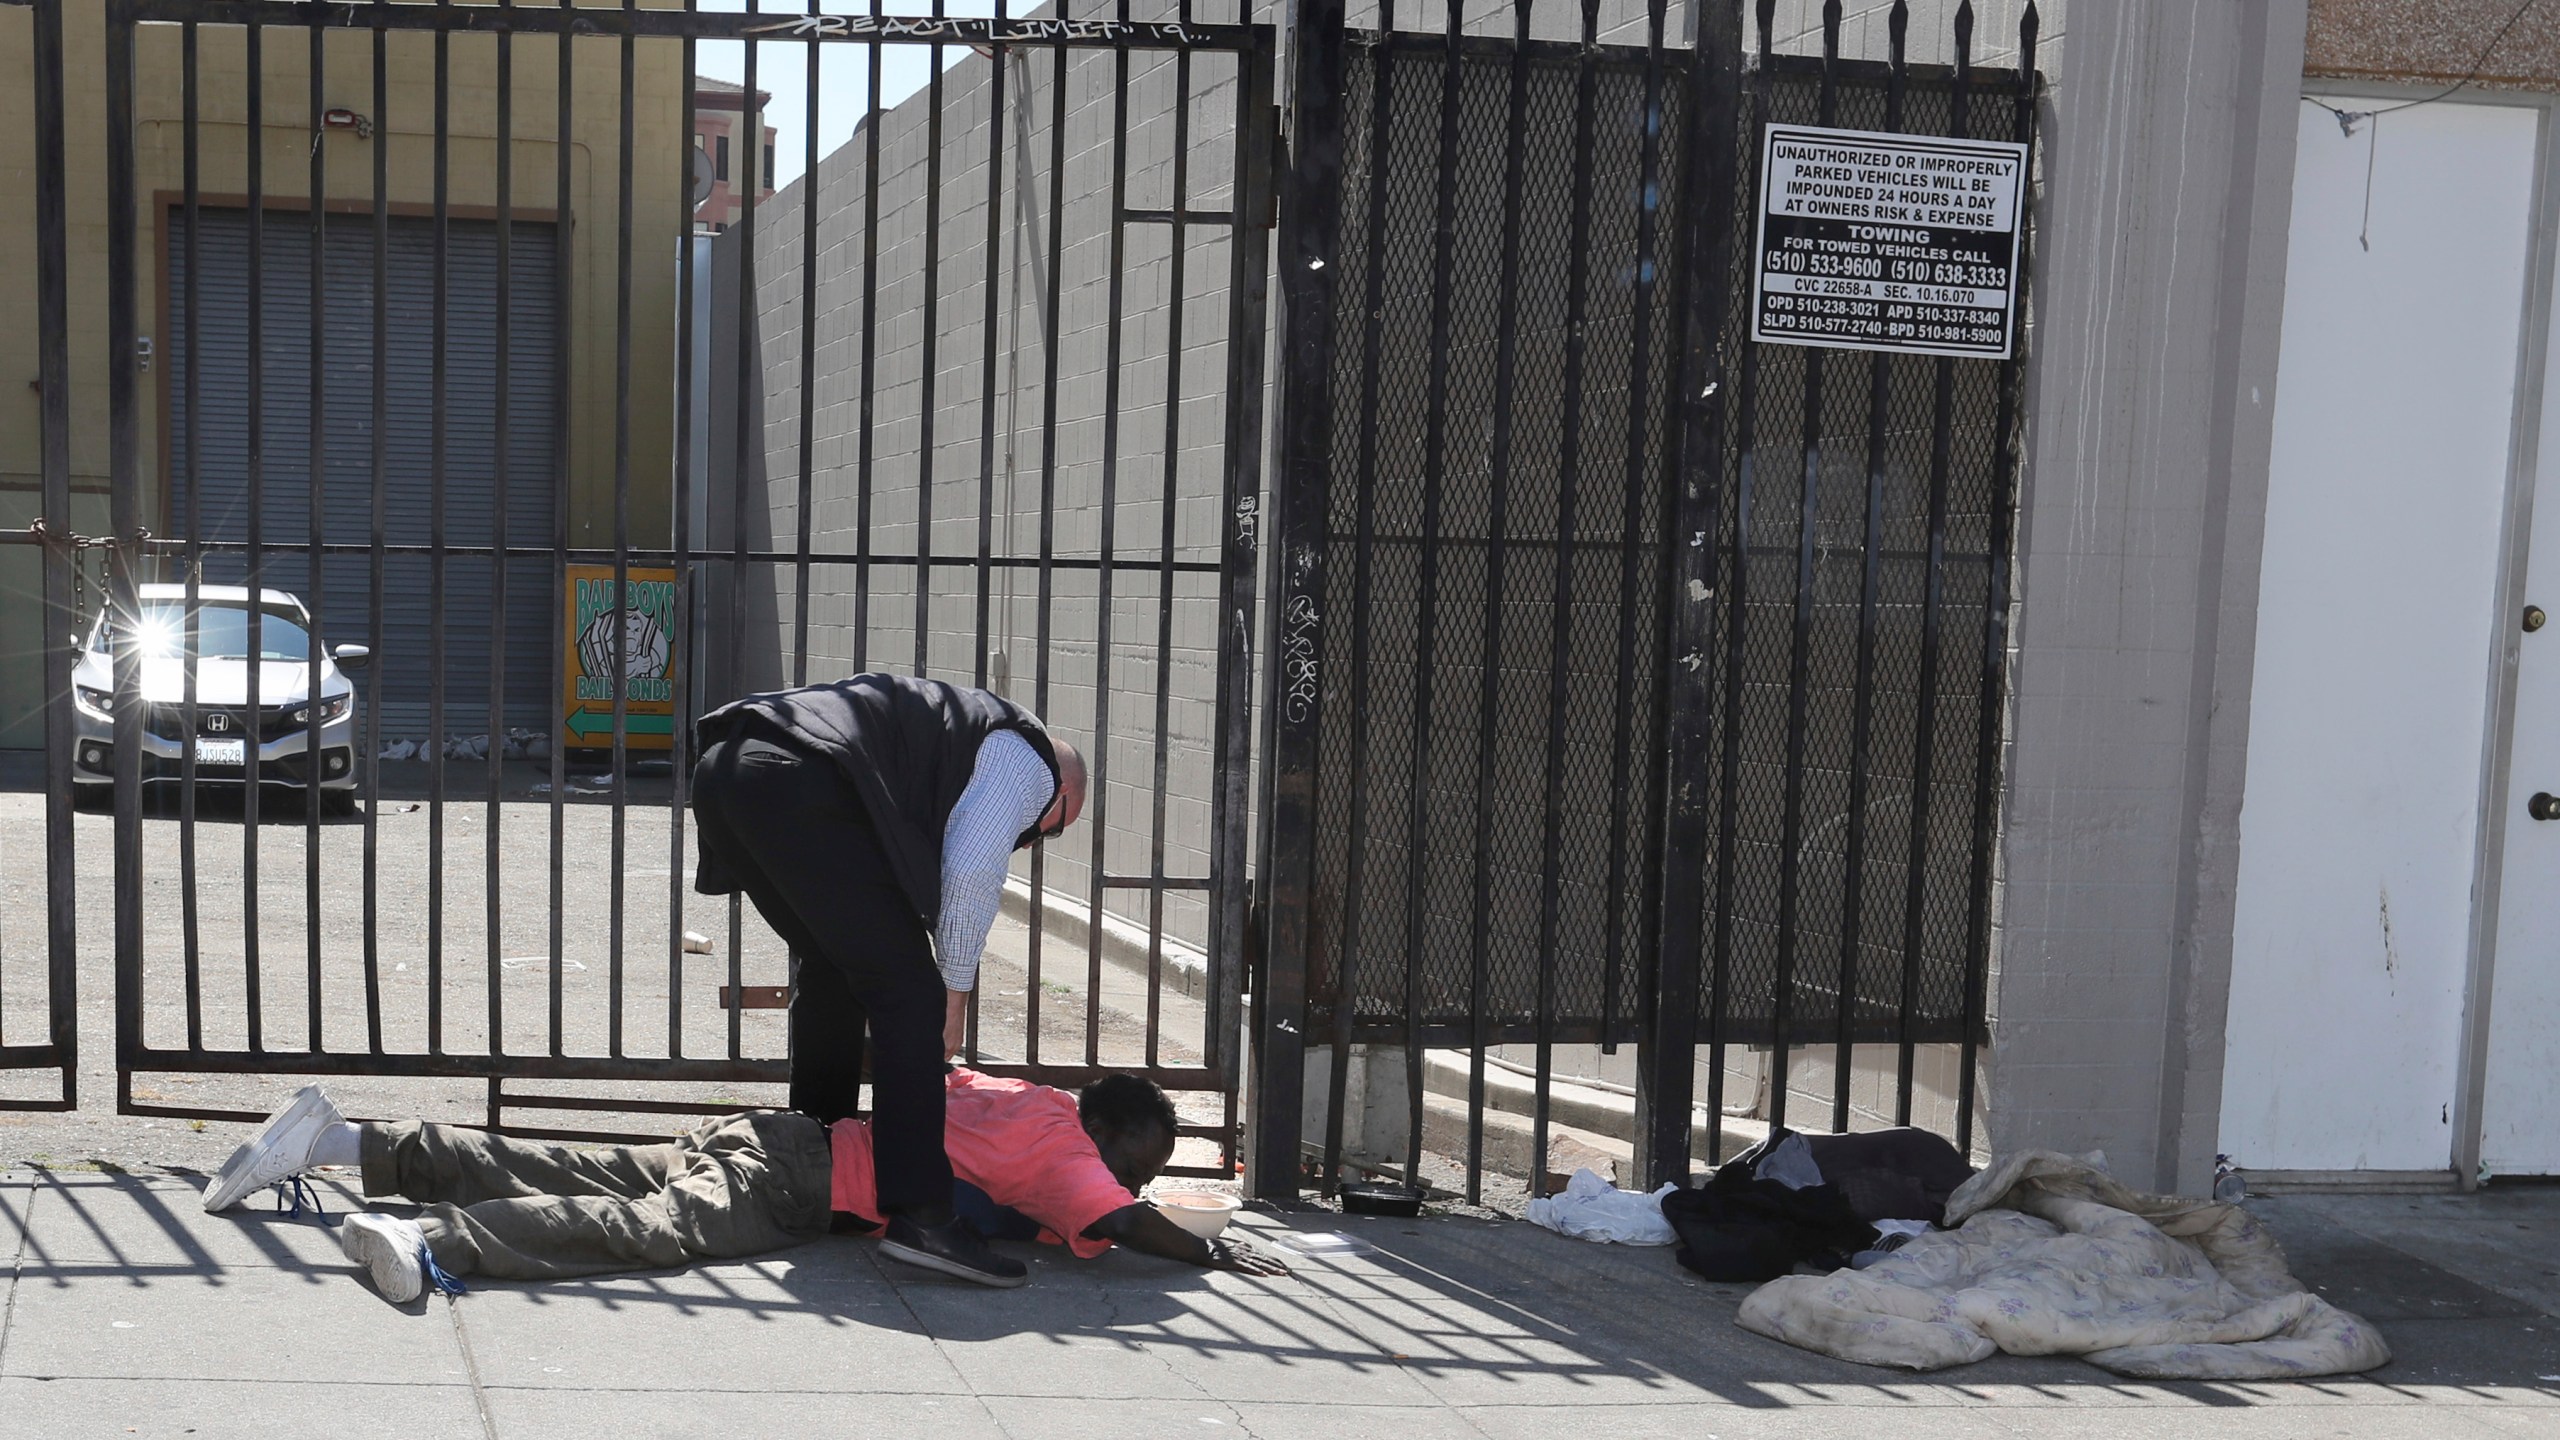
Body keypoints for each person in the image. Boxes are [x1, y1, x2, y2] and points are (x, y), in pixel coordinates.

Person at [197, 1070, 1287, 1303]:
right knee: (646, 1232)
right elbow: (1123, 1223)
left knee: (567, 1162)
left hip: (778, 1134)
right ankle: (433, 1243)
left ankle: (342, 1141)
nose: (1134, 1178)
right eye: (1136, 1158)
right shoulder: (1073, 1161)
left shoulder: (1035, 1102)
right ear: (1107, 1136)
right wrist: (1214, 1248)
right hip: (792, 1183)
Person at [686, 672, 1087, 1287]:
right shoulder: (1027, 757)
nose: (1035, 839)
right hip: (795, 779)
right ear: (1060, 794)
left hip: (725, 770)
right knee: (911, 996)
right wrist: (953, 995)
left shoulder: (946, 739)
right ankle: (924, 1218)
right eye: (1051, 829)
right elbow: (973, 869)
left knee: (833, 967)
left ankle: (818, 1165)